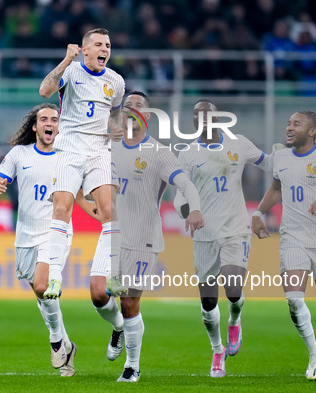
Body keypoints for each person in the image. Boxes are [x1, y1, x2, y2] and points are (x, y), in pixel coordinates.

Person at [38, 28, 131, 363]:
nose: (105, 48)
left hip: (98, 149)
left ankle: (115, 274)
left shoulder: (116, 81)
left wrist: (116, 129)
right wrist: (65, 60)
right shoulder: (72, 70)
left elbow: (116, 112)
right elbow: (45, 90)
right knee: (61, 208)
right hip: (68, 147)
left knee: (110, 211)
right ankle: (55, 277)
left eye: (109, 44)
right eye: (99, 44)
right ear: (85, 49)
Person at [252, 111, 316, 383]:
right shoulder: (281, 158)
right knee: (294, 299)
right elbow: (276, 189)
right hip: (292, 238)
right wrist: (258, 213)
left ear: (312, 131)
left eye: (296, 124)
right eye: (288, 123)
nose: (289, 128)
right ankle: (314, 352)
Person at [174, 99, 273, 378]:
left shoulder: (239, 144)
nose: (202, 118)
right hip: (204, 234)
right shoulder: (188, 154)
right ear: (193, 122)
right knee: (207, 304)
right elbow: (179, 195)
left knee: (232, 287)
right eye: (197, 115)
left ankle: (235, 318)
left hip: (235, 228)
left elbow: (269, 164)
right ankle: (217, 351)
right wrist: (190, 210)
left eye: (208, 113)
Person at [112, 91, 204, 382]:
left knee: (129, 302)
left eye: (139, 106)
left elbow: (185, 183)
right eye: (128, 105)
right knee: (100, 295)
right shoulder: (108, 145)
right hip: (111, 235)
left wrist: (195, 209)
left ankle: (132, 365)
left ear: (148, 116)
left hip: (144, 238)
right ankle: (117, 327)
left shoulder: (159, 152)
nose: (133, 109)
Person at [0, 103, 80, 376]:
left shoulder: (68, 156)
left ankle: (54, 340)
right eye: (44, 119)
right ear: (35, 127)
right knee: (41, 294)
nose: (50, 123)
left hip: (56, 230)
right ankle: (66, 345)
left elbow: (82, 192)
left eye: (55, 119)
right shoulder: (19, 154)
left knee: (42, 285)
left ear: (60, 127)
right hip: (25, 235)